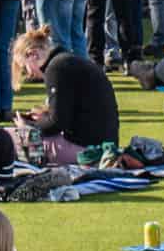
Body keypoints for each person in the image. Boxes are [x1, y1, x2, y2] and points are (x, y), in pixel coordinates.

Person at [19, 23, 119, 153]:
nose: (28, 73)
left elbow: (57, 123)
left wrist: (28, 126)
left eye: (25, 67)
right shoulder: (67, 61)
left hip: (89, 148)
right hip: (104, 143)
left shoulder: (56, 68)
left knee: (18, 139)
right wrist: (45, 117)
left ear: (33, 54)